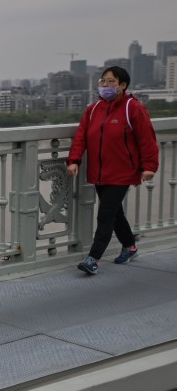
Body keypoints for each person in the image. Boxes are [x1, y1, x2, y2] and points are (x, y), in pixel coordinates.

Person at [66, 66, 158, 276]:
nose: (105, 86)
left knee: (105, 215)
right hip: (99, 172)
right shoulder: (94, 109)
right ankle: (130, 246)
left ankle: (93, 259)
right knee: (115, 213)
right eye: (103, 81)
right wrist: (74, 160)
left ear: (123, 85)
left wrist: (149, 166)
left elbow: (147, 139)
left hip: (122, 172)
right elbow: (81, 136)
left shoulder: (132, 108)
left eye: (111, 82)